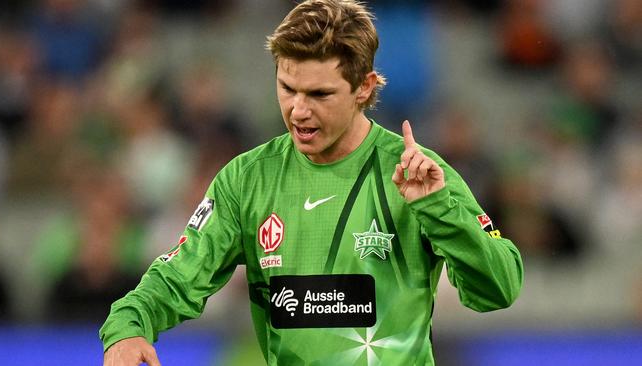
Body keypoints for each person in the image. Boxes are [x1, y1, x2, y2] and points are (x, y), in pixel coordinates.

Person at [100, 1, 523, 365]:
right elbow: (177, 276)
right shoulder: (247, 179)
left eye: (319, 94)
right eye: (287, 89)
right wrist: (126, 327)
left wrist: (438, 209)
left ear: (364, 87)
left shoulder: (416, 173)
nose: (298, 111)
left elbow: (498, 288)